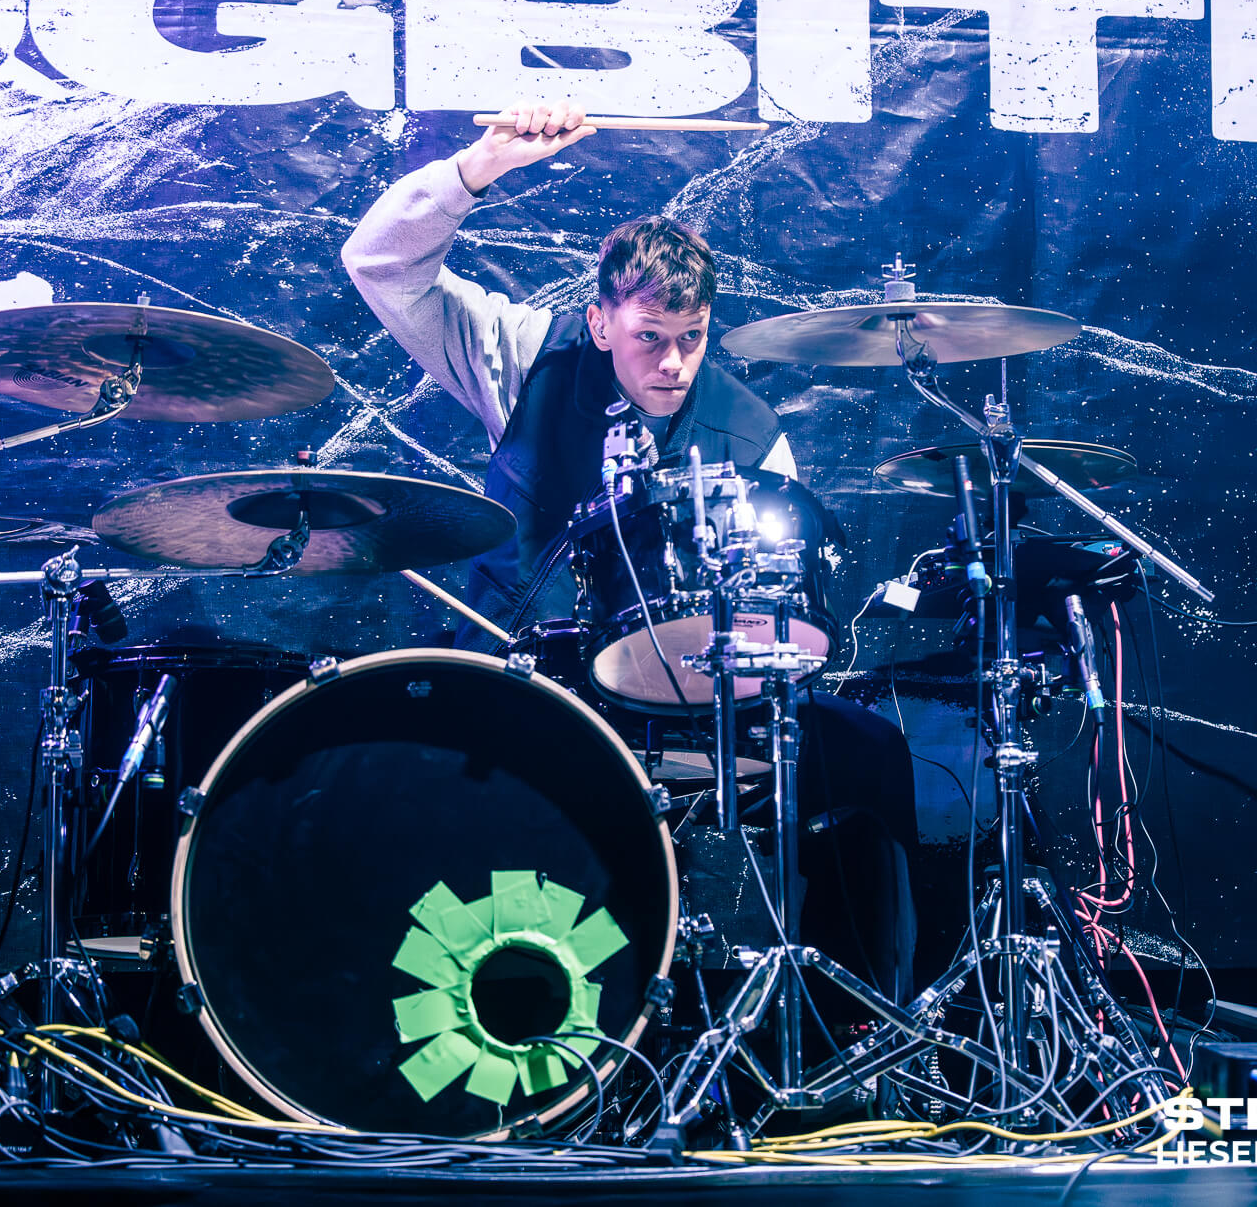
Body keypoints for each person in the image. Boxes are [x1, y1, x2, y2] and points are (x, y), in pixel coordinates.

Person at [342, 101, 917, 1000]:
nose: (674, 363)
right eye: (649, 337)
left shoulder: (753, 433)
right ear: (601, 321)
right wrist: (474, 169)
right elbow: (378, 263)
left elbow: (772, 605)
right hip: (524, 677)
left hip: (686, 700)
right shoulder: (526, 355)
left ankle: (856, 1012)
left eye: (692, 338)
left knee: (867, 748)